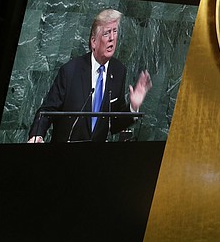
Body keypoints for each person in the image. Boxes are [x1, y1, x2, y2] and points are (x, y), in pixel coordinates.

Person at [27, 9, 152, 143]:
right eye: (106, 33)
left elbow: (115, 124)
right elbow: (47, 110)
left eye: (114, 31)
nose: (112, 38)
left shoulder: (118, 71)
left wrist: (132, 107)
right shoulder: (70, 71)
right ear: (94, 42)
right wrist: (37, 135)